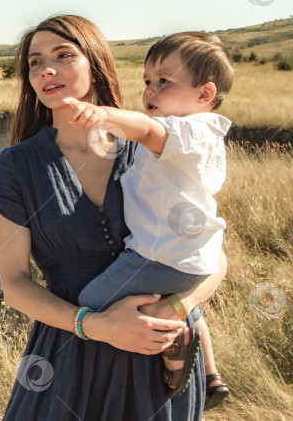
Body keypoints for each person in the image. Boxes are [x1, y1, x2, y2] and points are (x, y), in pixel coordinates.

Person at [0, 15, 227, 420]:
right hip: (69, 355)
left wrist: (173, 308)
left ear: (95, 62)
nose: (46, 69)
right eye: (35, 62)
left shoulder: (151, 145)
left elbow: (215, 257)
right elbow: (14, 284)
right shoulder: (16, 166)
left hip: (160, 360)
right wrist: (96, 326)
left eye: (64, 55)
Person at [67, 32, 233, 407]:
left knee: (90, 302)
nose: (150, 91)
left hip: (159, 254)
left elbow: (145, 129)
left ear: (205, 94)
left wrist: (103, 115)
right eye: (146, 81)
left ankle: (173, 335)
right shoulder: (194, 133)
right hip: (185, 256)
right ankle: (209, 372)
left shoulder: (189, 130)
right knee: (181, 299)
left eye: (164, 82)